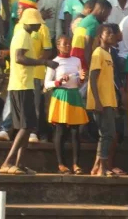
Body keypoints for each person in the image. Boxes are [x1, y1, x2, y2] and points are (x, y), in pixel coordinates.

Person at [0, 9, 58, 175]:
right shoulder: (23, 35)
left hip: (24, 85)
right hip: (21, 85)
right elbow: (19, 58)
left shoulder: (24, 35)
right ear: (31, 22)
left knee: (29, 125)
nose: (40, 25)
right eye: (38, 23)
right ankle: (8, 162)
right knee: (26, 126)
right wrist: (44, 62)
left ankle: (19, 163)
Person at [46, 35, 88, 174]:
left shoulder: (76, 60)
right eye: (65, 44)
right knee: (61, 130)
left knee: (76, 131)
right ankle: (61, 164)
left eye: (69, 44)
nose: (68, 46)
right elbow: (47, 84)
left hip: (74, 94)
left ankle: (76, 164)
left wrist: (82, 79)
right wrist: (59, 82)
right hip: (61, 95)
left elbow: (79, 80)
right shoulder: (55, 62)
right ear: (58, 46)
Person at [87, 24, 119, 177]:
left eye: (113, 33)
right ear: (100, 36)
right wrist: (97, 101)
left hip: (109, 101)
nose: (111, 35)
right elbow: (92, 78)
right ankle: (102, 168)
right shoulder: (98, 53)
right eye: (108, 33)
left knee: (106, 135)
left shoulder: (109, 54)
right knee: (107, 134)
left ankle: (96, 167)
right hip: (101, 101)